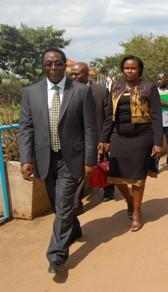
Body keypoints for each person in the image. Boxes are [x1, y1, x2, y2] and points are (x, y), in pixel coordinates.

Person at [19, 48, 97, 274]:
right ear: (43, 66)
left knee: (63, 204)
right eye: (48, 64)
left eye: (57, 63)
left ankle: (56, 255)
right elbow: (26, 128)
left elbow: (90, 129)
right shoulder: (31, 92)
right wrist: (26, 159)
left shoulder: (81, 91)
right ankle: (73, 230)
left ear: (65, 66)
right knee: (57, 204)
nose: (53, 68)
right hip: (44, 158)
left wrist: (89, 160)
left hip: (71, 158)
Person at [100, 55, 163, 232]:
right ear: (122, 69)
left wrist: (157, 142)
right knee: (116, 174)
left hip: (142, 136)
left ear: (139, 69)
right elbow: (108, 115)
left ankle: (136, 213)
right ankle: (129, 200)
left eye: (133, 68)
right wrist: (104, 138)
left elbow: (157, 116)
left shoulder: (148, 88)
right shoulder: (116, 86)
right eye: (127, 68)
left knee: (137, 177)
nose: (130, 71)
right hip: (118, 136)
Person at [70, 62, 116, 202]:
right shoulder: (67, 92)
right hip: (77, 140)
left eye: (76, 74)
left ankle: (108, 189)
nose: (73, 77)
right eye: (71, 74)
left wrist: (104, 138)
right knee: (78, 170)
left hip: (98, 138)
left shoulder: (101, 92)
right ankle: (76, 202)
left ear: (86, 74)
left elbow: (109, 117)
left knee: (103, 166)